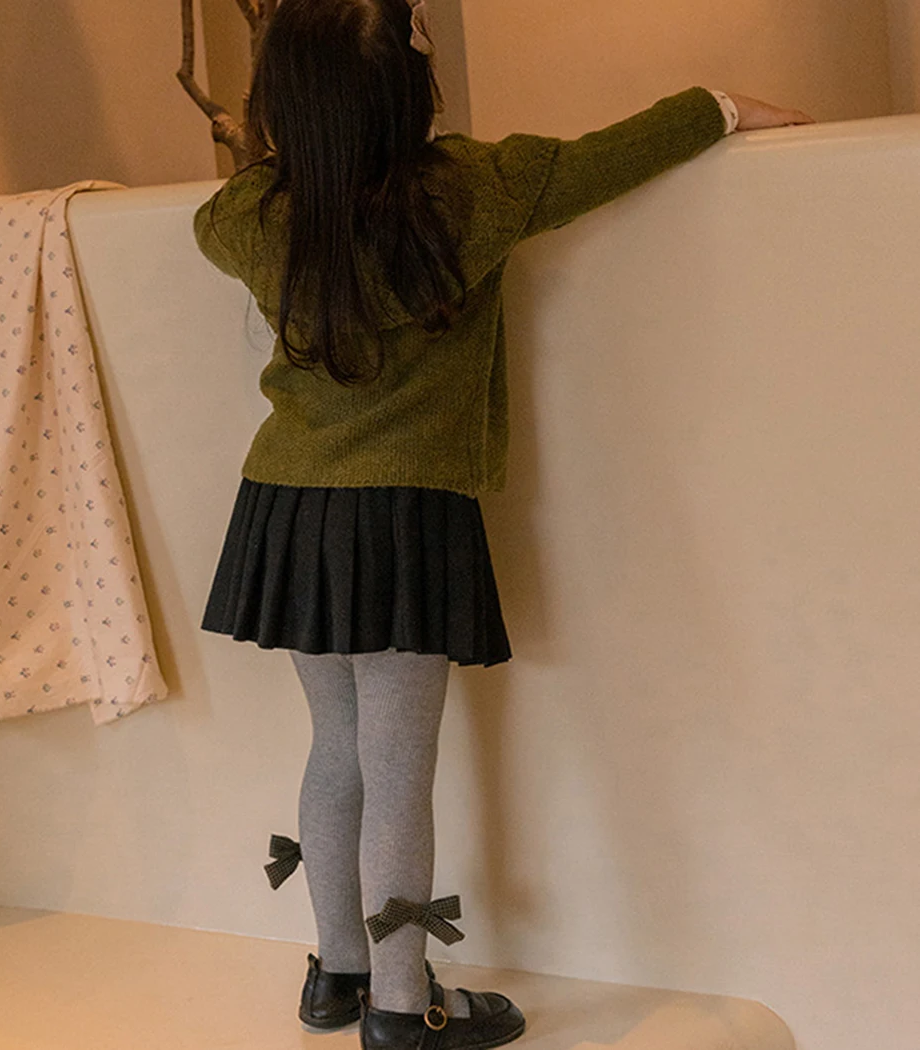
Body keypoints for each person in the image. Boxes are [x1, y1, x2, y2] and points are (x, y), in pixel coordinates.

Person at [193, 1, 815, 1047]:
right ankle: (403, 1010)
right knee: (397, 770)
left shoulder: (252, 213)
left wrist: (293, 161)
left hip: (289, 508)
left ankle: (338, 974)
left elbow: (215, 220)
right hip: (404, 515)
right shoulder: (475, 189)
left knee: (336, 747)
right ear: (410, 89)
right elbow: (610, 155)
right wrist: (720, 107)